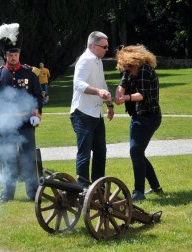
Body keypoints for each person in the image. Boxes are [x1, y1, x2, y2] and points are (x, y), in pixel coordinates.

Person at [0, 23, 43, 202]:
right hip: (6, 123)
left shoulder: (30, 73)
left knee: (28, 157)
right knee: (8, 158)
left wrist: (37, 113)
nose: (13, 57)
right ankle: (7, 193)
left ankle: (33, 191)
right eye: (11, 54)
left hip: (26, 122)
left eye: (16, 54)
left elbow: (37, 96)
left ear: (19, 55)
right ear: (5, 56)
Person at [114, 45, 163, 202]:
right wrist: (118, 93)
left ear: (132, 60)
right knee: (138, 152)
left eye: (126, 64)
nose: (125, 68)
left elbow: (141, 95)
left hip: (149, 116)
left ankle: (138, 192)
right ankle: (156, 187)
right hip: (138, 116)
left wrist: (125, 98)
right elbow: (122, 84)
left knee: (135, 151)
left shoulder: (144, 69)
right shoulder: (130, 70)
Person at [70, 31, 114, 188]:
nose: (107, 49)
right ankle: (82, 189)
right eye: (104, 46)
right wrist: (97, 92)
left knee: (101, 152)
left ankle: (98, 187)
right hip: (82, 113)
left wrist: (109, 105)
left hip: (96, 114)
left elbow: (102, 84)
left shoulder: (97, 60)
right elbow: (78, 84)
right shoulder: (85, 60)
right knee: (84, 153)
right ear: (93, 46)